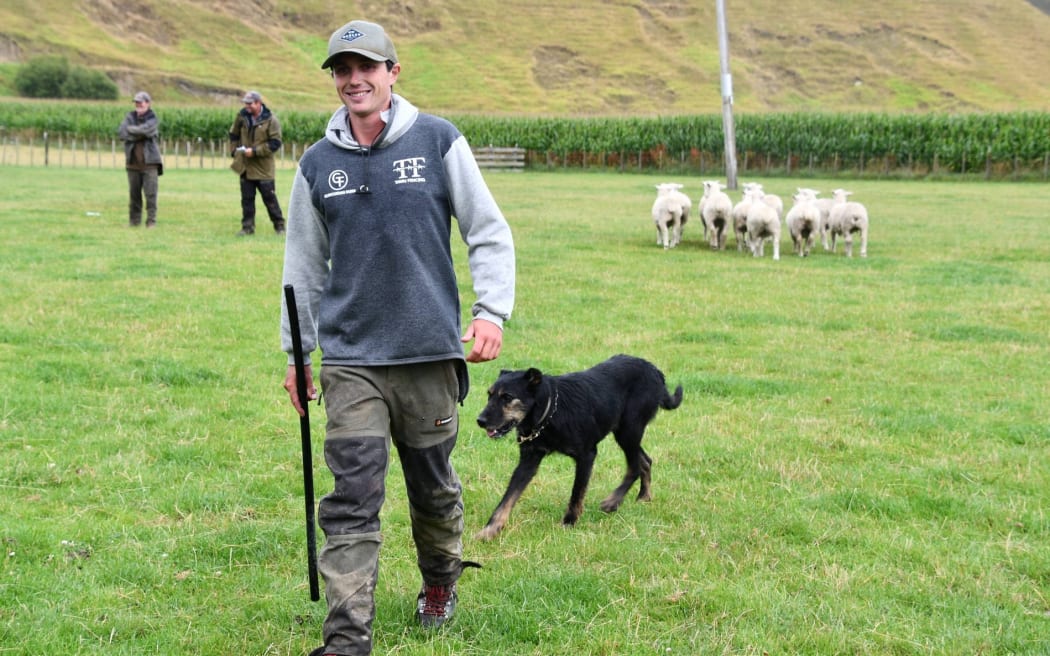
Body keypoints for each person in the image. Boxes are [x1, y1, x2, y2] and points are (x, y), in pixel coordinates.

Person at [279, 19, 515, 656]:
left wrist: (491, 311)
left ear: (392, 72)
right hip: (351, 359)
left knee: (432, 485)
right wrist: (299, 353)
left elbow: (488, 230)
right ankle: (347, 639)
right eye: (341, 70)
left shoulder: (438, 141)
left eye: (366, 68)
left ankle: (440, 580)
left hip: (427, 355)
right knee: (352, 497)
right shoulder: (316, 164)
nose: (353, 80)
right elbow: (301, 267)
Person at [229, 90, 286, 235]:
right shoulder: (241, 117)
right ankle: (247, 228)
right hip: (245, 168)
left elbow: (275, 143)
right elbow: (233, 134)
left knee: (270, 199)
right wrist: (234, 151)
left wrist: (254, 151)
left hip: (264, 169)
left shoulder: (271, 120)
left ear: (258, 103)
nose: (247, 106)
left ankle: (279, 226)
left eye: (250, 104)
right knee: (246, 200)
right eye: (245, 103)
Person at [118, 91, 163, 227]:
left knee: (151, 195)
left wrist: (131, 131)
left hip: (150, 163)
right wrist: (138, 132)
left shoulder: (153, 118)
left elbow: (148, 131)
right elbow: (122, 132)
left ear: (148, 103)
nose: (138, 104)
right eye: (136, 102)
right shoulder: (129, 116)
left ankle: (151, 222)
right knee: (134, 195)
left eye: (141, 102)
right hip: (132, 163)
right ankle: (134, 221)